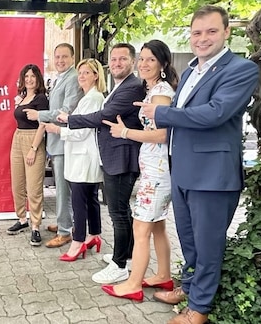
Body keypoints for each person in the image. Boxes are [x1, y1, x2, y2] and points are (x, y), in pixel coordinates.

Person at [136, 5, 259, 324]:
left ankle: (199, 309)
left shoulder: (240, 69)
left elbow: (216, 113)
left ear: (227, 32)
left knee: (208, 245)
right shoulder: (190, 71)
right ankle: (188, 288)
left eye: (211, 31)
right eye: (197, 32)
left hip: (212, 176)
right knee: (188, 240)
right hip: (182, 169)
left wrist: (160, 113)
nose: (203, 39)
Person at [58, 43, 145, 284]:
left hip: (121, 157)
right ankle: (123, 256)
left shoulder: (132, 87)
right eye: (114, 59)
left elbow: (101, 118)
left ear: (133, 62)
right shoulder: (122, 86)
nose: (117, 63)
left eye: (122, 59)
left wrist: (68, 120)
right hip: (113, 156)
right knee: (120, 211)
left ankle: (119, 266)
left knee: (118, 213)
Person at [100, 40, 178, 302]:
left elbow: (163, 134)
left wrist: (125, 132)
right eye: (142, 59)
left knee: (140, 229)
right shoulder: (153, 90)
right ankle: (163, 275)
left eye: (151, 60)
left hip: (157, 173)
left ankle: (133, 284)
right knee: (157, 227)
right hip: (153, 170)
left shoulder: (161, 93)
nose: (144, 64)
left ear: (163, 64)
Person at [44, 58, 105, 261]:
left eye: (87, 72)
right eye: (80, 73)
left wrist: (58, 129)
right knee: (91, 199)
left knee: (80, 202)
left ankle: (77, 242)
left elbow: (82, 132)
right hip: (84, 158)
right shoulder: (89, 97)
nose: (82, 76)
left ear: (96, 75)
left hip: (83, 159)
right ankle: (94, 235)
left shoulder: (93, 99)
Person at [24, 43, 84, 248]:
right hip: (56, 143)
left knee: (63, 189)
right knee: (62, 187)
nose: (60, 60)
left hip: (64, 142)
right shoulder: (61, 78)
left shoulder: (73, 78)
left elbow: (66, 110)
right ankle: (64, 222)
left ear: (72, 58)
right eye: (57, 57)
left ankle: (65, 231)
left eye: (64, 57)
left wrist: (38, 114)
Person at [6, 64, 49, 246]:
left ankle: (36, 226)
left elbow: (43, 124)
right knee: (18, 184)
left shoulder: (41, 99)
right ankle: (22, 219)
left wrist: (33, 148)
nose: (29, 79)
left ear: (38, 78)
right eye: (26, 76)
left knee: (34, 187)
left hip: (34, 141)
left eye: (32, 76)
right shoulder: (23, 98)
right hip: (17, 138)